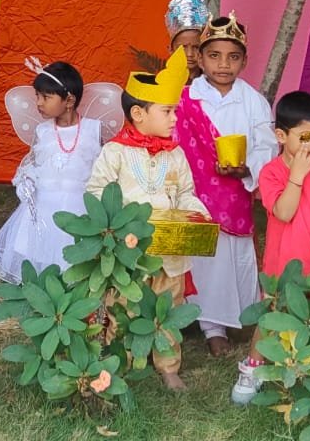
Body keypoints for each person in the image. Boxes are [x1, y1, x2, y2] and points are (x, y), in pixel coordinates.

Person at [86, 47, 210, 391]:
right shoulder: (115, 152)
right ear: (138, 114)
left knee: (167, 308)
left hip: (170, 253)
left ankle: (168, 366)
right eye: (167, 111)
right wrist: (117, 224)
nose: (174, 119)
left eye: (175, 111)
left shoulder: (176, 154)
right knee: (123, 306)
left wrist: (197, 212)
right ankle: (122, 360)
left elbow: (185, 193)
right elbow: (96, 191)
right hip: (129, 254)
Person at [232, 90, 310, 405]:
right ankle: (253, 368)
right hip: (283, 264)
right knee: (272, 317)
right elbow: (283, 212)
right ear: (281, 136)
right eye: (307, 136)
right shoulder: (271, 171)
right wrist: (296, 177)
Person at [176, 12, 278, 356]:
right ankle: (189, 318)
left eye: (233, 57)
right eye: (214, 56)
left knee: (224, 259)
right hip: (192, 193)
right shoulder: (185, 98)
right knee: (196, 257)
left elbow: (267, 147)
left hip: (233, 195)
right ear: (200, 58)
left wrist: (247, 168)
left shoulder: (254, 101)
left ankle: (217, 322)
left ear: (244, 61)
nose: (223, 64)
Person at [0, 60, 104, 283]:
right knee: (40, 252)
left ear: (69, 100)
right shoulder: (43, 131)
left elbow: (103, 168)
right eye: (37, 96)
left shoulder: (94, 129)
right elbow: (33, 164)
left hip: (79, 206)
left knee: (72, 252)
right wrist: (26, 181)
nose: (38, 103)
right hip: (44, 205)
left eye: (46, 97)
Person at [165, 0, 208, 81]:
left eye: (196, 47)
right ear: (170, 50)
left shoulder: (215, 85)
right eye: (183, 47)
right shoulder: (161, 83)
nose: (189, 54)